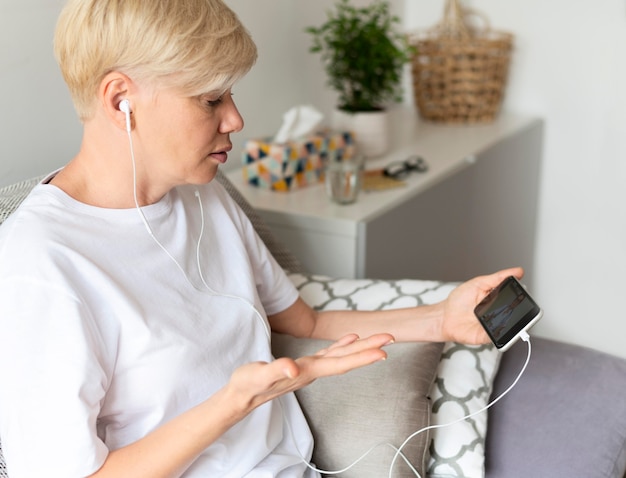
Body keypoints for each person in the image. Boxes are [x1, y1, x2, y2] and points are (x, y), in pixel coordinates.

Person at [0, 0, 523, 476]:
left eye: (231, 93)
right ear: (120, 100)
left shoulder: (201, 194)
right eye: (210, 99)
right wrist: (233, 403)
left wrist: (441, 318)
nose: (236, 119)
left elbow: (307, 321)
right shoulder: (42, 266)